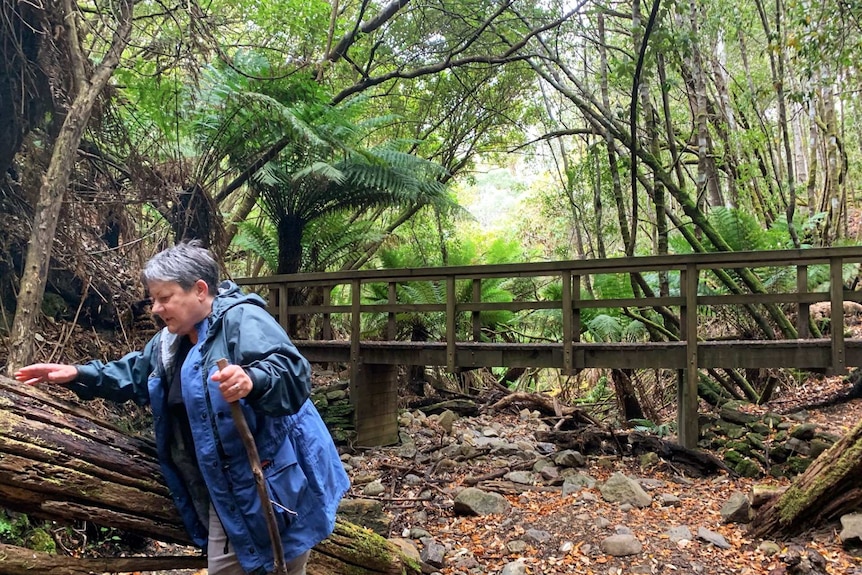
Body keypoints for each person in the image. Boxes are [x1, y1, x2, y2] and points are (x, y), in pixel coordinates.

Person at [14, 240, 350, 575]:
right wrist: (78, 374)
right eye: (153, 299)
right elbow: (135, 374)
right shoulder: (170, 341)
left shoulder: (243, 319)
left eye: (164, 298)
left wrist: (252, 379)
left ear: (200, 290)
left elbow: (292, 373)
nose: (155, 309)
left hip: (272, 482)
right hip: (221, 485)